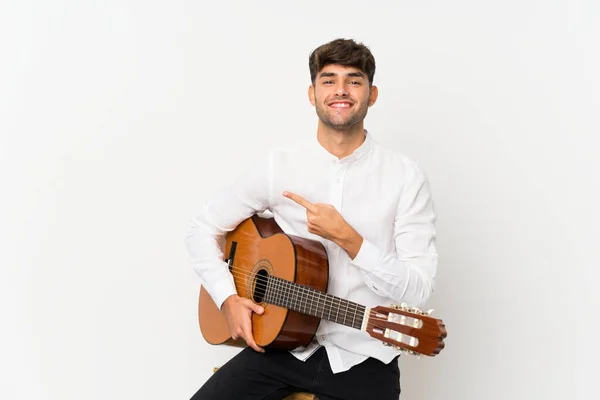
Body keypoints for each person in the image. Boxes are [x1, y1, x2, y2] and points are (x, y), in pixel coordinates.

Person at [185, 38, 438, 400]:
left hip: (366, 356)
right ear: (312, 93)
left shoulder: (405, 178)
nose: (341, 90)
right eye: (328, 80)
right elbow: (202, 228)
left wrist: (351, 240)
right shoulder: (279, 166)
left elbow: (417, 288)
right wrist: (228, 298)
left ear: (372, 94)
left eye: (354, 80)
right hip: (281, 348)